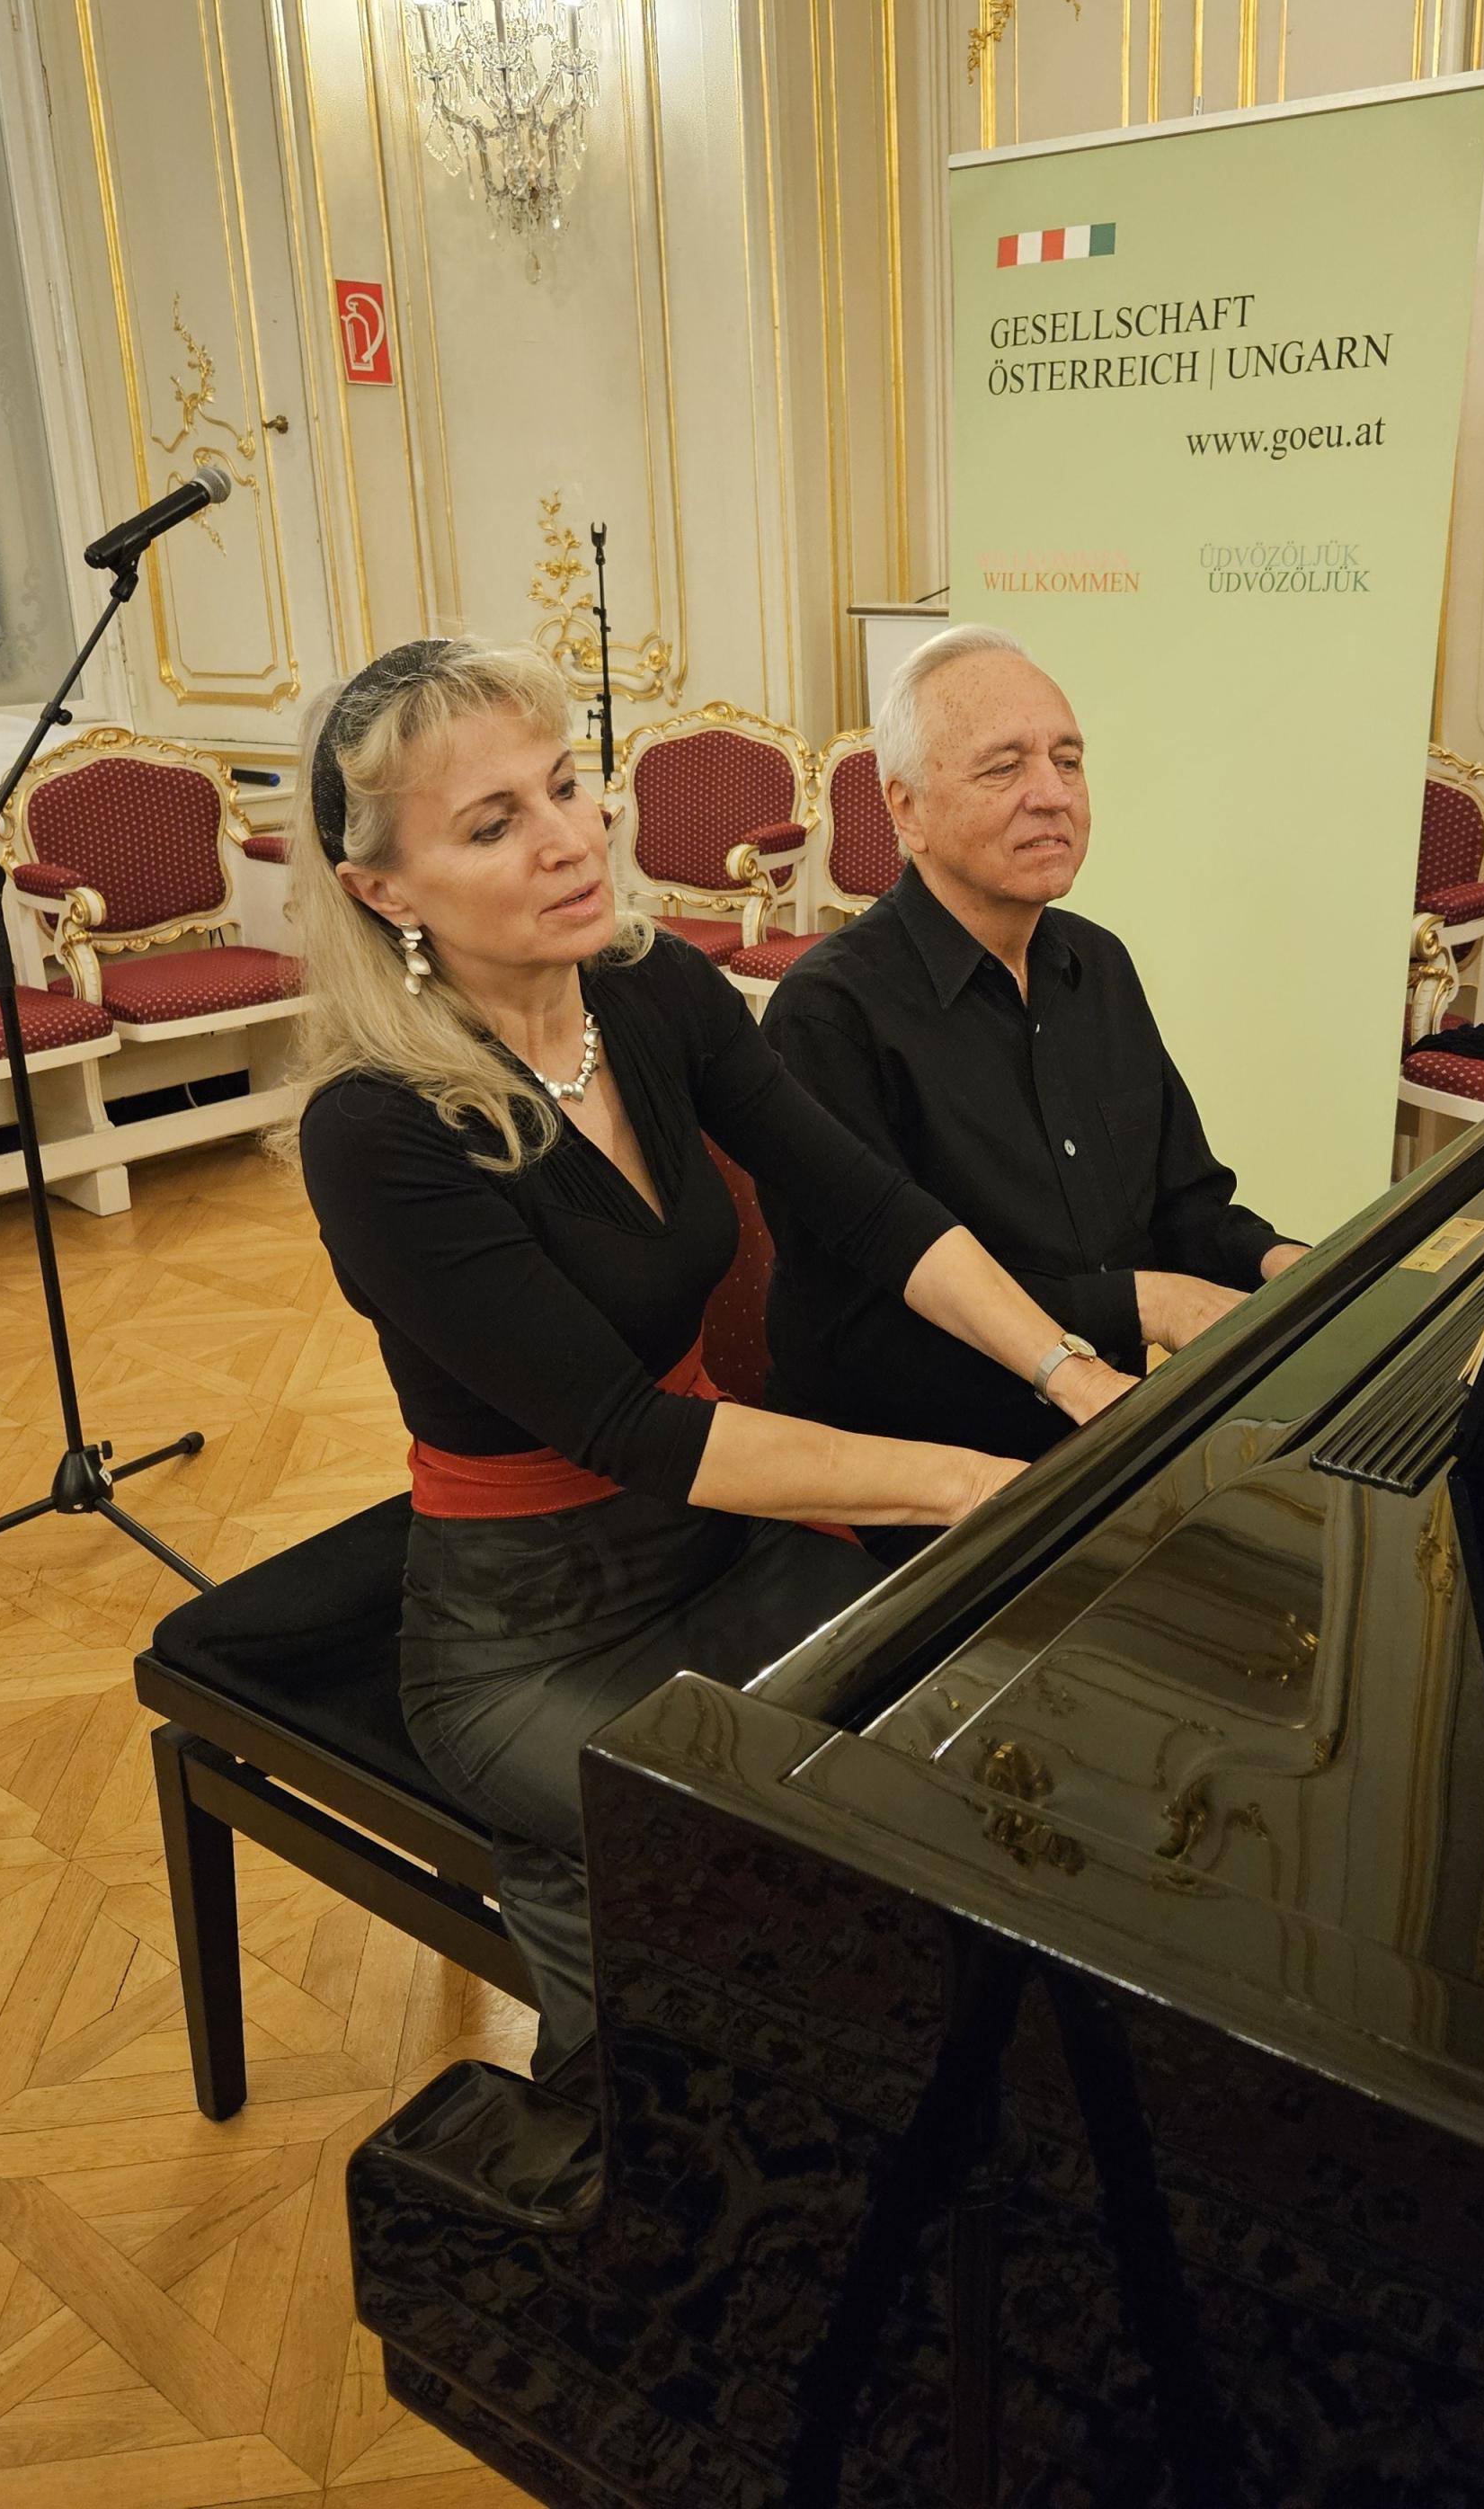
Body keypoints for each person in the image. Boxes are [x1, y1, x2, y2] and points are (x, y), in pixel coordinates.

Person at [285, 637, 1135, 2073]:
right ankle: (622, 2054)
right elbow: (638, 1429)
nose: (572, 838)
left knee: (966, 1766)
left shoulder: (651, 988)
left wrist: (1075, 1377)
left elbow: (866, 1206)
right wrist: (978, 1486)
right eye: (493, 824)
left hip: (726, 1547)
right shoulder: (374, 1130)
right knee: (795, 1880)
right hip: (533, 1634)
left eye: (565, 785)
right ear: (385, 892)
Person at [760, 623, 1306, 1558]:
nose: (1052, 794)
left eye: (1069, 760)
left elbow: (1186, 1208)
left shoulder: (1098, 964)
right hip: (924, 1490)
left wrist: (1285, 1266)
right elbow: (861, 1336)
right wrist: (1142, 1305)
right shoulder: (829, 1015)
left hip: (1110, 1437)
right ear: (906, 810)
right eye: (1004, 766)